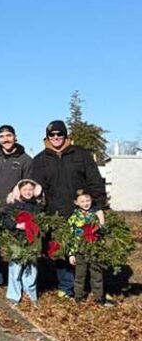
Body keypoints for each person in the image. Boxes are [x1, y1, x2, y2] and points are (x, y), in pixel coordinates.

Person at [30, 120, 107, 298]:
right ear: (47, 137)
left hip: (83, 213)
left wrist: (98, 207)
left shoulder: (81, 155)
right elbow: (36, 188)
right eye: (52, 135)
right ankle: (66, 286)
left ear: (66, 136)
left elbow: (95, 181)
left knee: (87, 248)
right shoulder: (40, 160)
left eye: (60, 134)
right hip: (56, 214)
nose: (56, 138)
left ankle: (89, 285)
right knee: (61, 250)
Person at [0, 124, 32, 293]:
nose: (6, 139)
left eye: (9, 135)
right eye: (2, 136)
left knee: (17, 246)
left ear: (15, 137)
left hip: (16, 211)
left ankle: (18, 280)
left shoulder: (25, 160)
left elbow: (29, 186)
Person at [0, 179, 43, 306]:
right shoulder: (13, 205)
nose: (28, 192)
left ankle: (30, 294)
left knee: (31, 268)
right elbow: (4, 219)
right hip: (17, 239)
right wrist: (16, 225)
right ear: (19, 191)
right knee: (16, 267)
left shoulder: (37, 206)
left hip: (32, 241)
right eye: (25, 190)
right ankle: (14, 295)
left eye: (30, 190)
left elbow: (42, 221)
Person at [67, 189, 108, 304]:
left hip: (95, 248)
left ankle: (99, 298)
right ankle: (78, 297)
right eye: (82, 201)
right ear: (76, 202)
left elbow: (105, 232)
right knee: (80, 274)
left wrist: (102, 220)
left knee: (97, 273)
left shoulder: (96, 213)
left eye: (87, 200)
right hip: (80, 249)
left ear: (91, 200)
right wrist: (71, 253)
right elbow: (71, 235)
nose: (85, 203)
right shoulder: (74, 217)